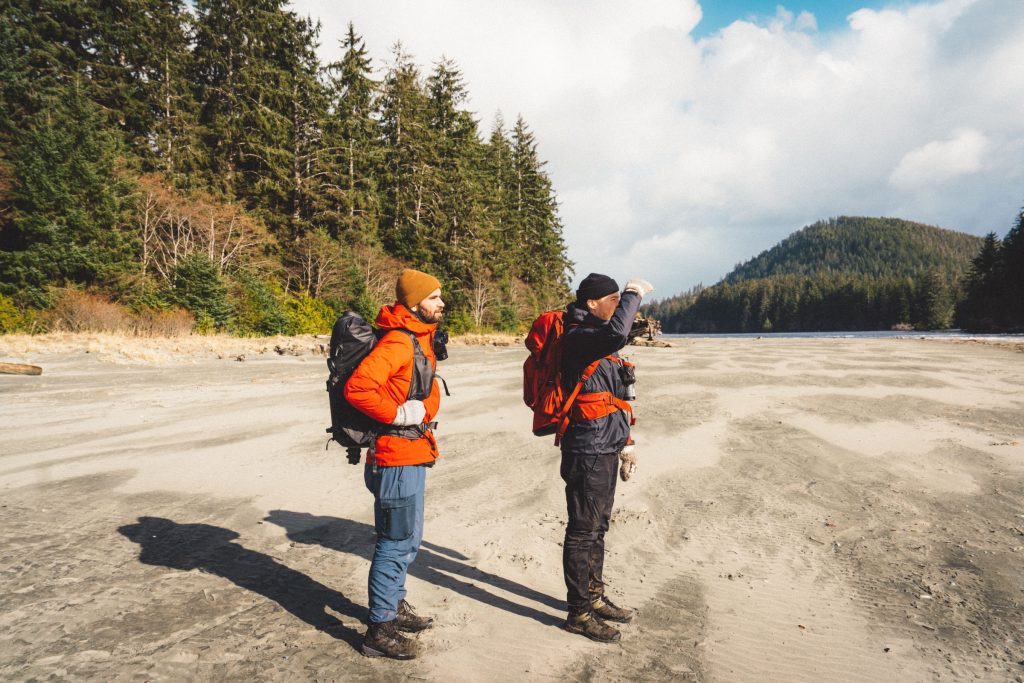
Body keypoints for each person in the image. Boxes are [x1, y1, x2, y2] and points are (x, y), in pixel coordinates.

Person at [344, 268, 446, 660]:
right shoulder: (399, 342)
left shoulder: (420, 339)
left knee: (409, 539)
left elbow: (429, 390)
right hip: (395, 456)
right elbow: (358, 388)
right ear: (415, 302)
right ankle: (379, 629)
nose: (441, 303)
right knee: (395, 541)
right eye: (435, 297)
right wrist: (399, 415)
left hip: (412, 452)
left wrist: (420, 409)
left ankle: (394, 604)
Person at [558, 272, 654, 642]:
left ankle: (594, 598)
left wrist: (627, 443)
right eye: (611, 300)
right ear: (591, 303)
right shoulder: (579, 337)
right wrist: (632, 293)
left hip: (606, 444)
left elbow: (617, 401)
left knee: (598, 526)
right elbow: (616, 331)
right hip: (587, 448)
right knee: (583, 531)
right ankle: (578, 612)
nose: (617, 306)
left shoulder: (600, 343)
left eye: (619, 299)